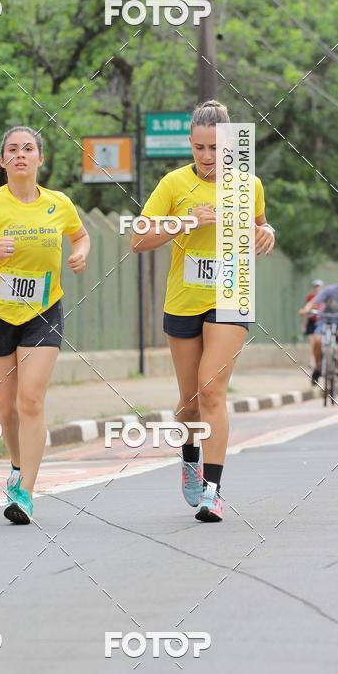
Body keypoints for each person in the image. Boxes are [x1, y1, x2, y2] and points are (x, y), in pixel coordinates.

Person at [131, 100, 275, 523]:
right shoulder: (173, 184)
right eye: (199, 148)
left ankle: (213, 490)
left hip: (231, 291)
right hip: (183, 298)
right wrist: (184, 223)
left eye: (215, 148)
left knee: (212, 390)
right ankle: (189, 457)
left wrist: (267, 234)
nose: (207, 157)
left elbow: (261, 226)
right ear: (190, 146)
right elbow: (139, 240)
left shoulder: (248, 185)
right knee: (190, 400)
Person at [0, 126, 90, 524]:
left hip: (43, 309)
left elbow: (81, 236)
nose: (20, 155)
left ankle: (25, 492)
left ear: (39, 159)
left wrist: (80, 253)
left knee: (30, 398)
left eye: (28, 149)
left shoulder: (59, 203)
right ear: (2, 161)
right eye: (12, 149)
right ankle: (16, 465)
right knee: (6, 410)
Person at [300, 270, 338, 384]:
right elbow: (314, 301)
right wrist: (306, 309)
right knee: (318, 341)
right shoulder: (330, 290)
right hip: (325, 319)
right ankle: (318, 368)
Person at [298, 279, 324, 368]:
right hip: (312, 321)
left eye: (319, 287)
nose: (317, 288)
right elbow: (306, 309)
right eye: (316, 287)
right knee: (312, 341)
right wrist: (303, 323)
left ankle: (322, 359)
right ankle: (311, 359)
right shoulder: (310, 297)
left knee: (321, 341)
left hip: (322, 322)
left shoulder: (325, 297)